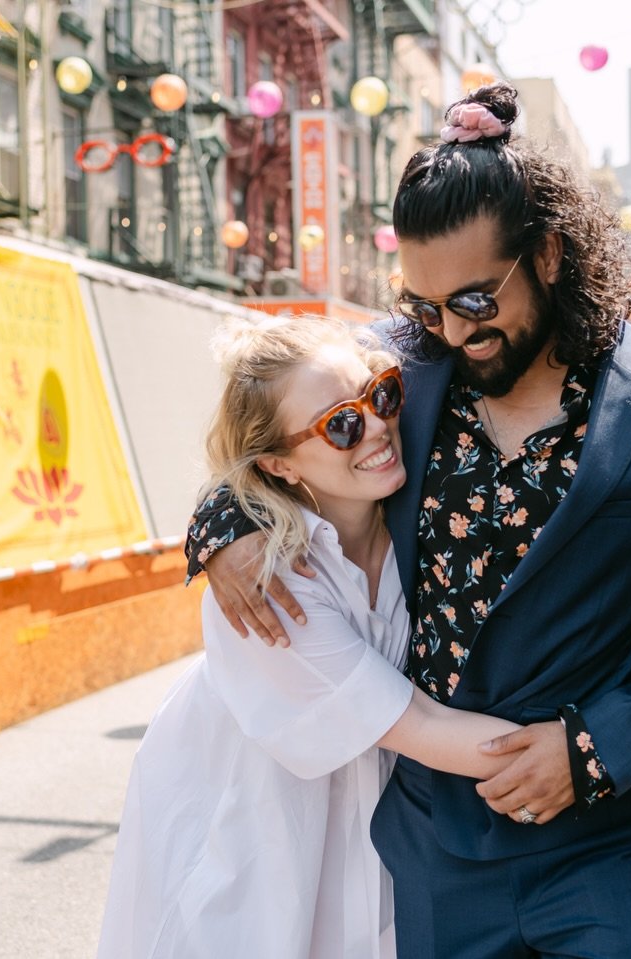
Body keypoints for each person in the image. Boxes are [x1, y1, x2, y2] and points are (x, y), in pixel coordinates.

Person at [184, 83, 631, 957]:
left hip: (605, 843)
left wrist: (597, 748)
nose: (451, 332)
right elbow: (276, 416)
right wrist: (223, 518)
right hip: (435, 845)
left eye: (475, 301)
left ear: (547, 254)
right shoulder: (400, 367)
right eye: (426, 307)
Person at [98, 317, 540, 957]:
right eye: (340, 425)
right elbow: (415, 723)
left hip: (374, 842)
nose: (377, 428)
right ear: (277, 462)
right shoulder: (271, 580)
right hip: (252, 843)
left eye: (382, 394)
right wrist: (597, 755)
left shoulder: (417, 530)